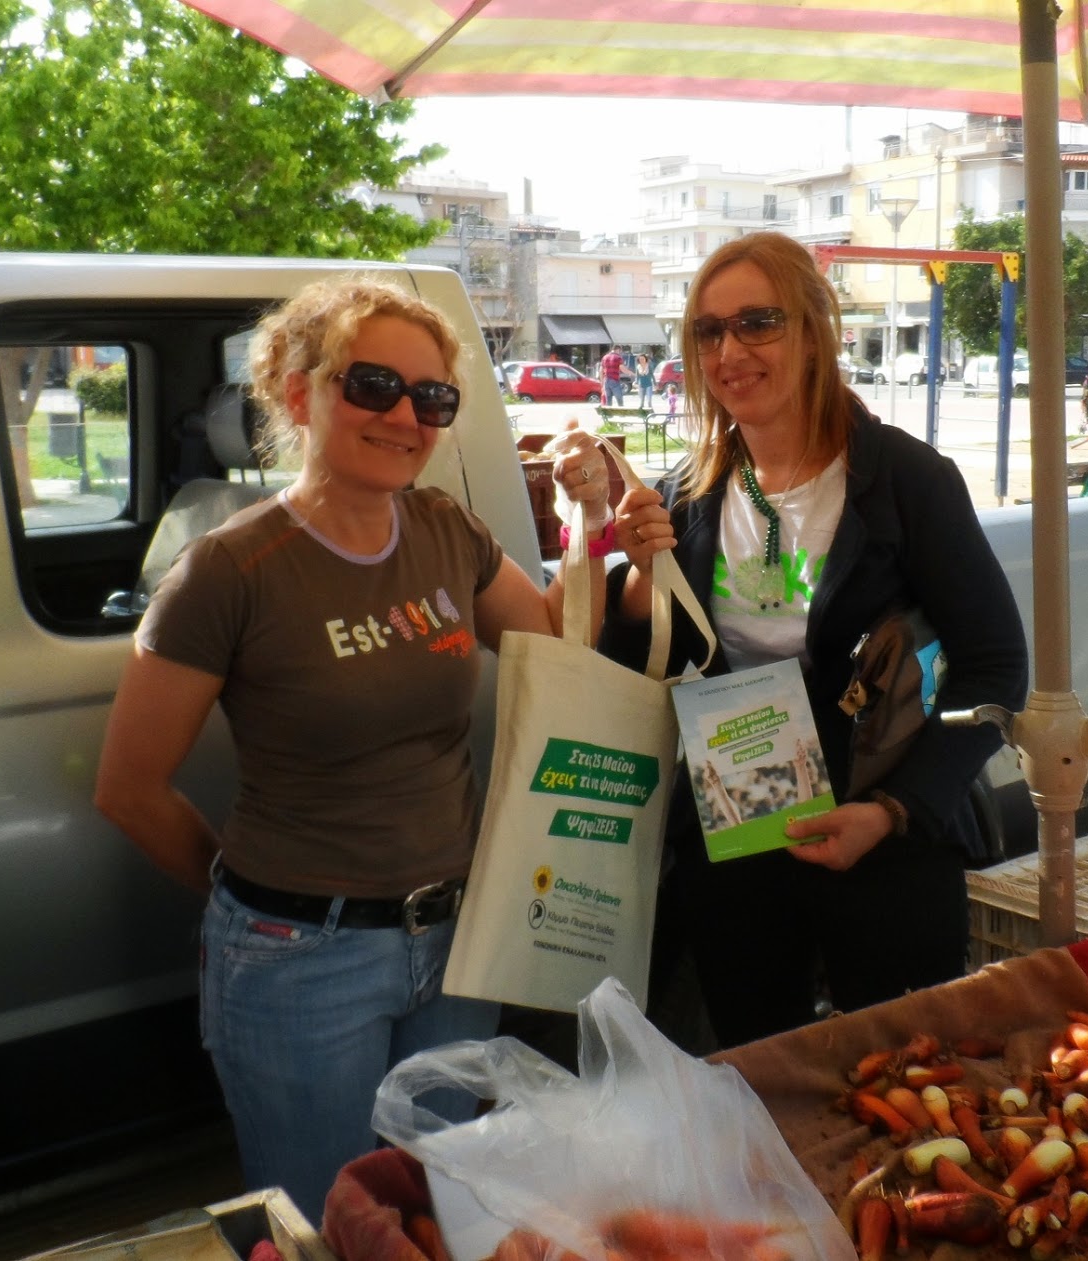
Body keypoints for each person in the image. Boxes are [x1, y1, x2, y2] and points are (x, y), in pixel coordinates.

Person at [92, 277, 673, 1220]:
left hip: (455, 944)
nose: (405, 414)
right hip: (299, 962)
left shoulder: (446, 530)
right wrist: (255, 911)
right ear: (297, 393)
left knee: (441, 1209)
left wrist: (590, 528)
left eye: (431, 397)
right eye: (373, 385)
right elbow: (128, 788)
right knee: (328, 1223)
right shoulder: (227, 571)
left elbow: (555, 651)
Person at [600, 231, 1027, 1050]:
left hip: (883, 844)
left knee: (907, 1092)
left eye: (758, 322)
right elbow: (647, 662)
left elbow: (997, 666)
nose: (731, 350)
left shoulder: (906, 481)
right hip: (738, 847)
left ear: (811, 332)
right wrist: (634, 578)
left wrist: (893, 811)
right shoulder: (686, 497)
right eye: (709, 330)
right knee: (759, 1084)